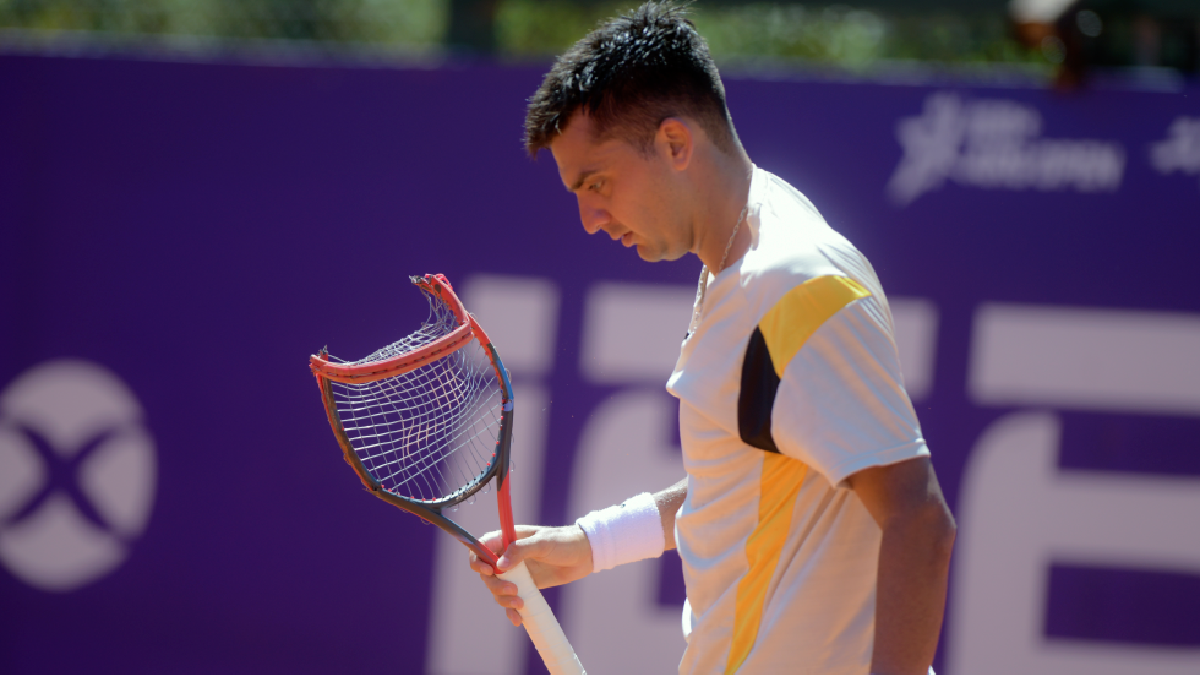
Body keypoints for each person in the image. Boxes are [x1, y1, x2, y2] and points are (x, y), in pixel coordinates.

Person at [469, 3, 957, 674]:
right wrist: (589, 544)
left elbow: (919, 521)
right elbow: (750, 482)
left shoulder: (792, 286)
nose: (589, 218)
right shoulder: (744, 251)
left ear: (675, 143)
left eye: (598, 183)